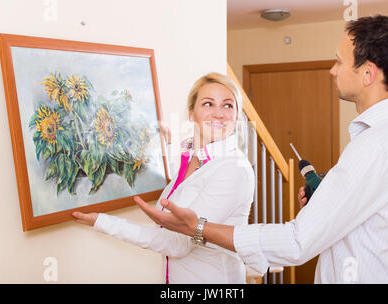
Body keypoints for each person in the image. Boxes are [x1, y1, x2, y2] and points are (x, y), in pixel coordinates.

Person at [134, 15, 388, 283]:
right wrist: (330, 202)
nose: (332, 70)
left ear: (367, 74)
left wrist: (198, 227)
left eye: (339, 62)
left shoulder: (376, 145)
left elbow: (296, 242)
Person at [72, 72, 254, 284]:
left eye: (228, 105)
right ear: (191, 113)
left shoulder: (233, 169)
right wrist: (165, 148)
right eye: (208, 104)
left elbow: (177, 243)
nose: (219, 113)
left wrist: (103, 222)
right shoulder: (194, 157)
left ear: (237, 116)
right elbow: (184, 188)